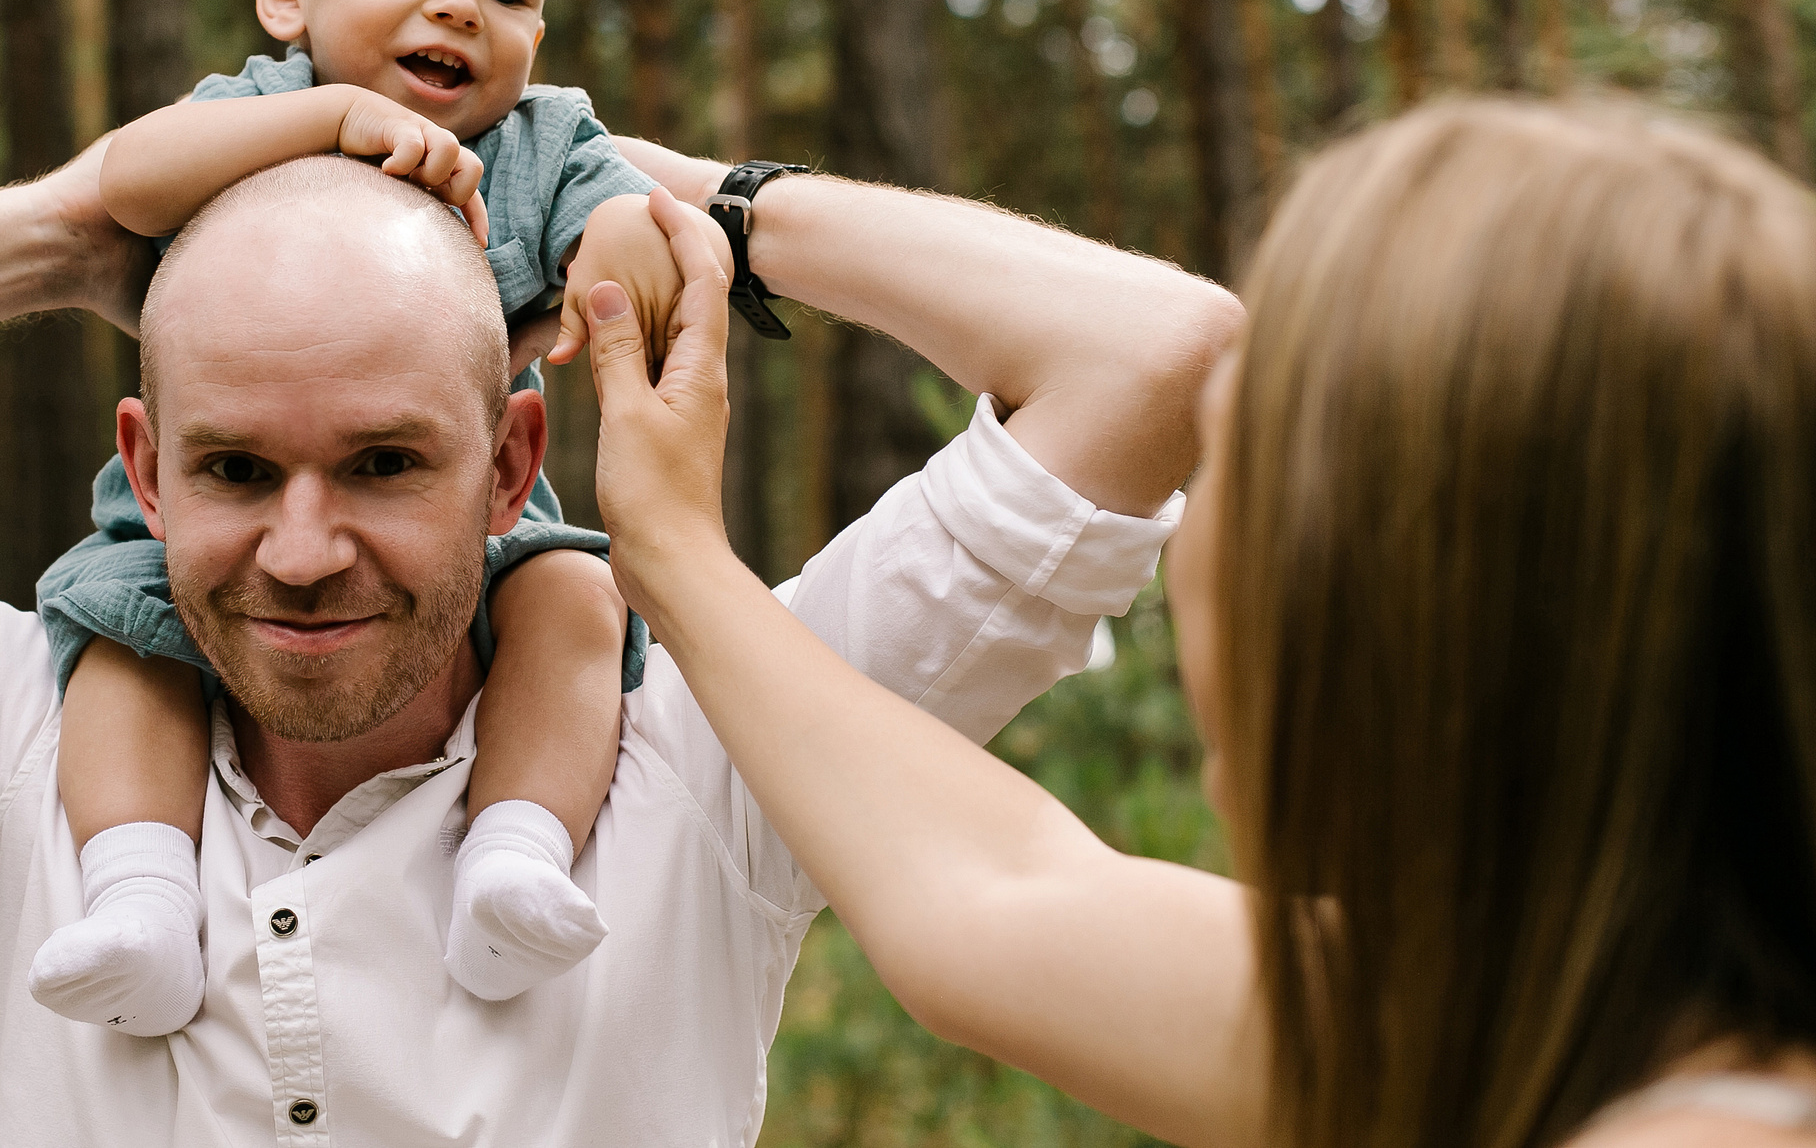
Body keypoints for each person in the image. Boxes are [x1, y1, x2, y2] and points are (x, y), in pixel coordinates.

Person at [0, 130, 1232, 1144]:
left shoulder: (714, 758)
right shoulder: (6, 736)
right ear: (146, 467)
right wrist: (67, 227)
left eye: (384, 463)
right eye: (237, 467)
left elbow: (1156, 358)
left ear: (513, 461)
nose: (303, 553)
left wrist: (658, 191)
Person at [586, 99, 1816, 1148]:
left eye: (1230, 447)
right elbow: (985, 892)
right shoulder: (1532, 1014)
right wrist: (693, 211)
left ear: (1385, 585)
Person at [28, 0, 704, 1031]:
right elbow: (131, 182)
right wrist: (327, 119)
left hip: (467, 516)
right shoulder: (265, 108)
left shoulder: (541, 142)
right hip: (193, 517)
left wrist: (623, 235)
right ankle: (137, 896)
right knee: (125, 645)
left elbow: (619, 220)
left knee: (575, 598)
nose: (457, 6)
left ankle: (514, 854)